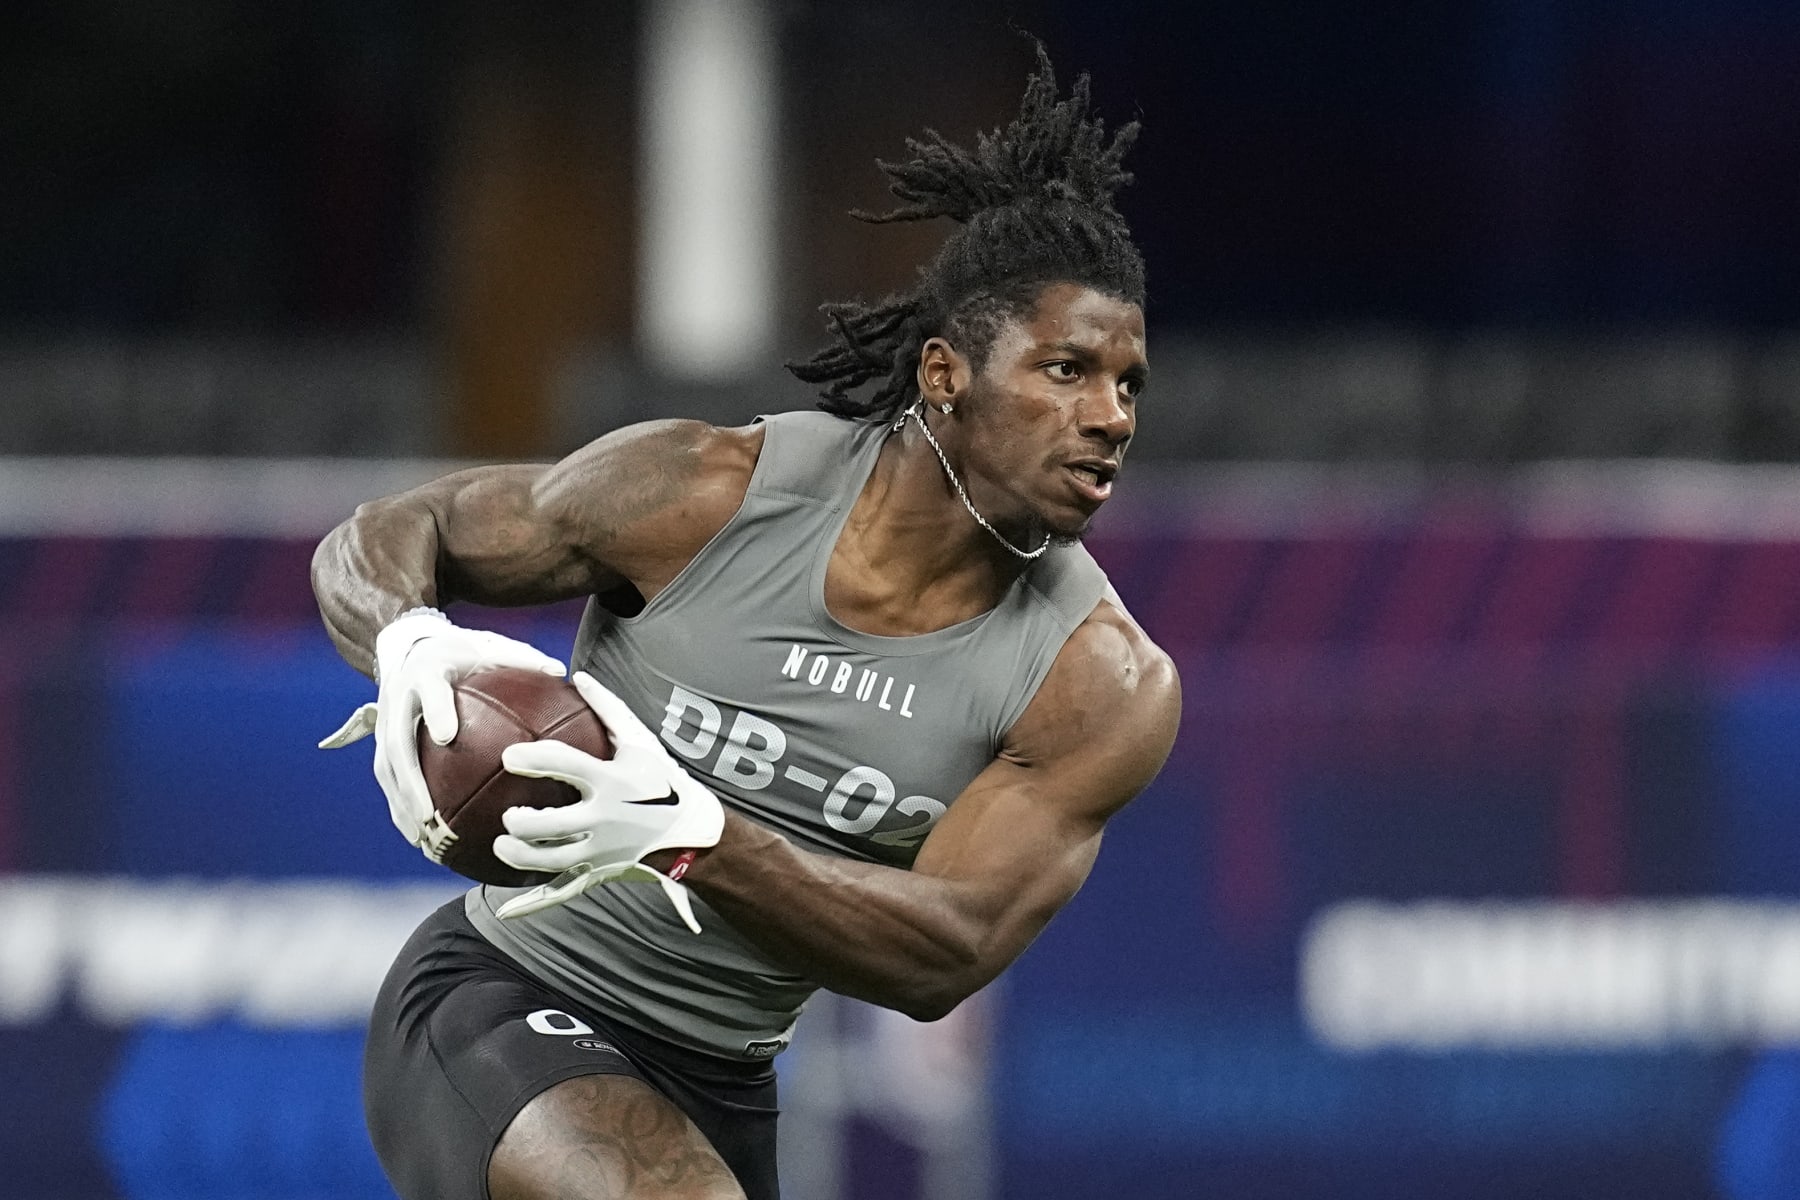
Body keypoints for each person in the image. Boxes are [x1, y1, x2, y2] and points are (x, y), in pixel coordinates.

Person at [313, 44, 1180, 1200]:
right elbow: (390, 531)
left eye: (1128, 386)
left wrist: (694, 831)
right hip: (504, 994)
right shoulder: (705, 493)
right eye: (1067, 370)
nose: (1109, 416)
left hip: (720, 1081)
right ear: (943, 377)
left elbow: (947, 951)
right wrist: (407, 638)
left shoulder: (1100, 681)